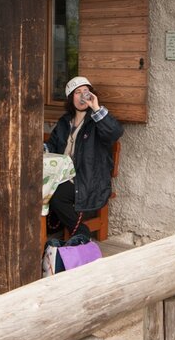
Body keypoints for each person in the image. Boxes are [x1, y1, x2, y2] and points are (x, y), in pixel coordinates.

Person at [45, 76, 123, 236]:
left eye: (85, 92)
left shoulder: (97, 120)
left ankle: (82, 234)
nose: (82, 96)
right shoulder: (65, 121)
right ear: (70, 97)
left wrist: (95, 107)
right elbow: (52, 145)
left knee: (57, 195)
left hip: (88, 178)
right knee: (37, 189)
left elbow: (114, 133)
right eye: (77, 92)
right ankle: (49, 232)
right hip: (62, 175)